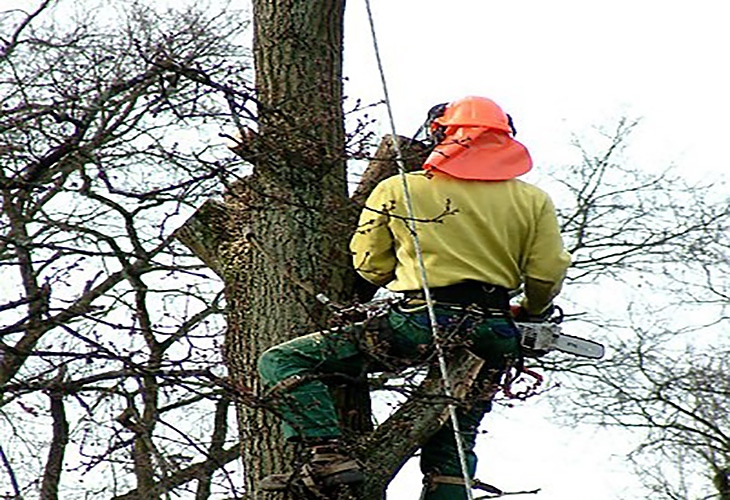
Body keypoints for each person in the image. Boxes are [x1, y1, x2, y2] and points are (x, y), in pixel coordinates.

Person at [257, 96, 571, 499]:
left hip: (422, 320)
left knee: (281, 359)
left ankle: (328, 454)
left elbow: (369, 263)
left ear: (438, 133)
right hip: (496, 331)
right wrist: (531, 310)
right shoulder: (532, 199)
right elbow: (547, 272)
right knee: (455, 442)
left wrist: (403, 273)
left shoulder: (398, 188)